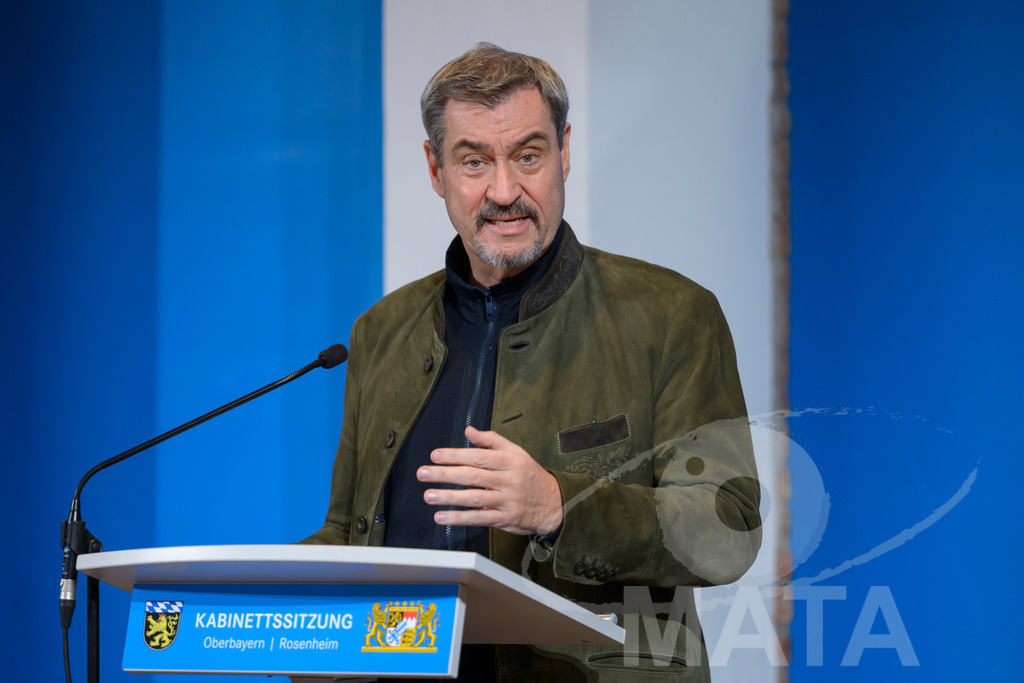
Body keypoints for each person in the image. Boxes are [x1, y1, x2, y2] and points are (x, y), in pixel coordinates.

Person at [305, 43, 761, 682]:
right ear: (436, 171)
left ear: (564, 152)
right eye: (474, 161)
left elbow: (727, 531)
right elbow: (347, 538)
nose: (505, 191)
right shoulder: (380, 333)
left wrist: (557, 504)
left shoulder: (672, 315)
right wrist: (246, 602)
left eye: (528, 155)